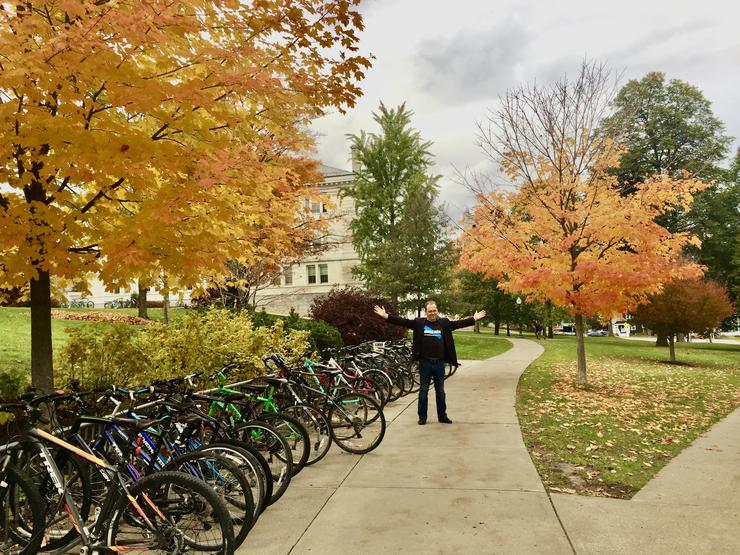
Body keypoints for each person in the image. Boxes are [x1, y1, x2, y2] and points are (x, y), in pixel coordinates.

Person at [373, 301, 486, 425]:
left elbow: (459, 324)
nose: (432, 313)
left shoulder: (444, 323)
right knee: (423, 391)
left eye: (434, 310)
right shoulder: (419, 323)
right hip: (425, 363)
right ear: (425, 312)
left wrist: (474, 318)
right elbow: (403, 322)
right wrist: (386, 316)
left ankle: (442, 416)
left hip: (439, 364)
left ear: (437, 311)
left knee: (441, 392)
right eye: (430, 311)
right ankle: (422, 417)